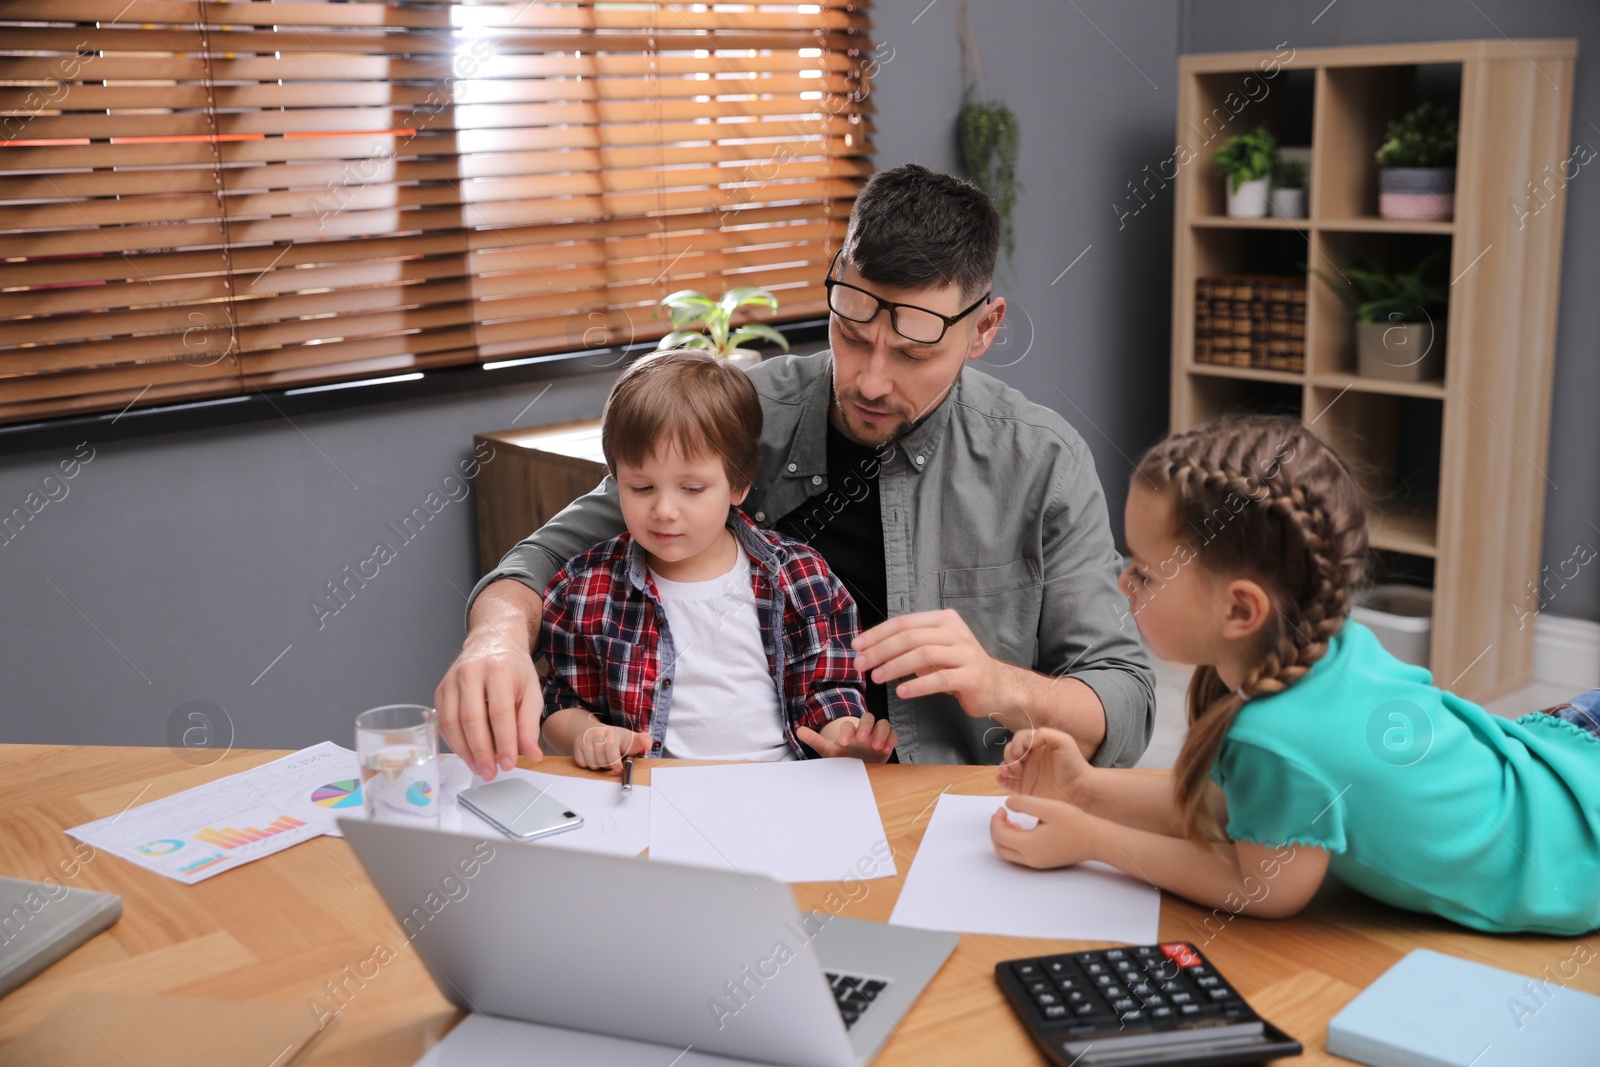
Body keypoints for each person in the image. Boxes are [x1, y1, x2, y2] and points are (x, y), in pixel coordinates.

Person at [437, 162, 1156, 780]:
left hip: (952, 802)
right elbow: (537, 564)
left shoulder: (1041, 461)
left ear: (984, 329)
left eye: (911, 354)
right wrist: (495, 637)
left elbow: (1124, 701)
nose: (871, 380)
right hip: (761, 789)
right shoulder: (745, 414)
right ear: (837, 284)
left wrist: (996, 682)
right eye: (852, 335)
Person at [991, 415, 1600, 935]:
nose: (1123, 583)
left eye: (1146, 572)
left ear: (1240, 610)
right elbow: (1232, 808)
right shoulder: (1321, 648)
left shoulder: (1277, 738)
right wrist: (1083, 790)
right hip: (1561, 764)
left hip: (1578, 855)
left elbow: (1261, 886)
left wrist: (1094, 840)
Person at [538, 349, 894, 769]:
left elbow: (828, 688)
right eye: (641, 488)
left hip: (782, 791)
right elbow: (561, 702)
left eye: (691, 489)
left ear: (739, 485)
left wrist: (844, 739)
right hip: (656, 795)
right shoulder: (586, 589)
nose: (665, 510)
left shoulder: (799, 576)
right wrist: (587, 734)